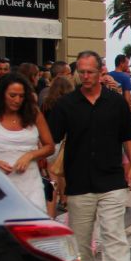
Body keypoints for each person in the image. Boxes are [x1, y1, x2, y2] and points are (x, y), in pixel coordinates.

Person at [46, 51, 131, 261]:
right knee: (80, 235)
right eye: (82, 72)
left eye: (90, 71)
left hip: (111, 178)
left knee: (113, 233)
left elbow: (127, 136)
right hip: (79, 180)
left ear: (100, 72)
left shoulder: (115, 102)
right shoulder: (67, 104)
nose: (86, 76)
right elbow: (51, 139)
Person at [0, 73, 54, 213]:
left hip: (31, 184)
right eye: (12, 95)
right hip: (0, 185)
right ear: (1, 94)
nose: (17, 100)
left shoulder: (34, 114)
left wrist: (30, 155)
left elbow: (49, 146)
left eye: (21, 96)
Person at [40, 74, 75, 218]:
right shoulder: (70, 104)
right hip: (64, 141)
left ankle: (51, 211)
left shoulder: (46, 103)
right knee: (64, 174)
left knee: (52, 178)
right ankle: (65, 198)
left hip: (49, 142)